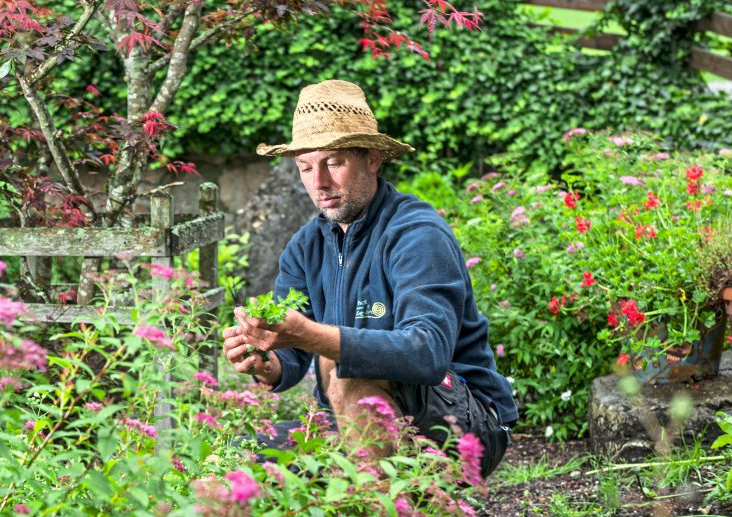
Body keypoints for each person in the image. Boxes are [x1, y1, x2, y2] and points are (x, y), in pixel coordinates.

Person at [222, 79, 517, 475]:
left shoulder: (416, 233)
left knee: (351, 380)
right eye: (306, 167)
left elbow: (426, 352)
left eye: (333, 162)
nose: (319, 182)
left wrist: (308, 333)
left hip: (464, 423)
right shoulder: (305, 246)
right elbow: (290, 361)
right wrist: (264, 357)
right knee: (234, 459)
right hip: (349, 423)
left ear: (373, 158)